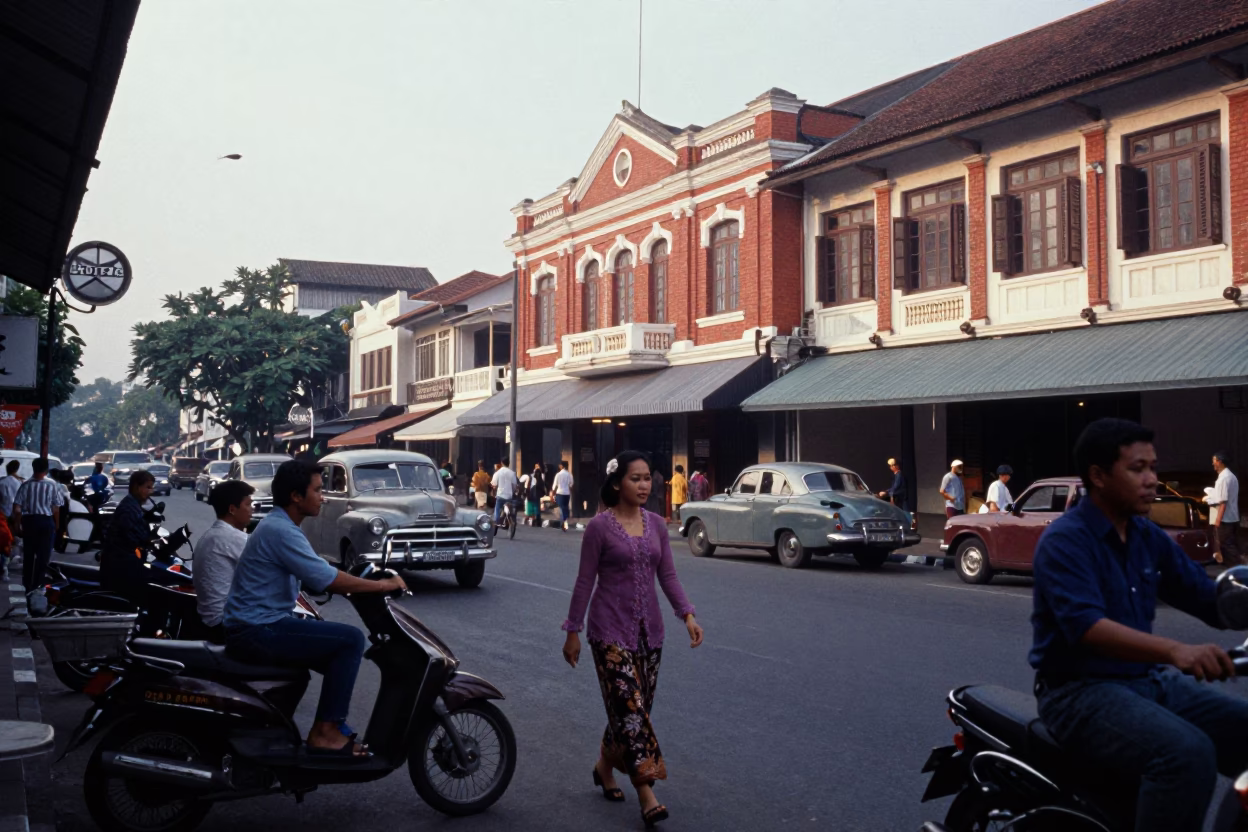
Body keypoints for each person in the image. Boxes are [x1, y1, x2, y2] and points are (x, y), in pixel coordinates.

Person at [1031, 418, 1248, 832]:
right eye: (1137, 469)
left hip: (1146, 683)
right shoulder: (1065, 540)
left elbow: (1207, 599)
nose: (1152, 480)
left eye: (1153, 467)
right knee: (1187, 755)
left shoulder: (1147, 536)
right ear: (1098, 476)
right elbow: (1086, 626)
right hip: (1077, 692)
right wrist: (1176, 650)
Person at [224, 460, 407, 759]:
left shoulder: (280, 525)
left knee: (337, 650)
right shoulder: (281, 530)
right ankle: (325, 731)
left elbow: (318, 571)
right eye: (318, 490)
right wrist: (383, 586)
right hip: (256, 629)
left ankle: (331, 725)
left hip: (257, 624)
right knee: (349, 641)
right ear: (296, 496)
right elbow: (327, 578)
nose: (323, 497)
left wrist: (352, 580)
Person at [561, 451, 703, 828]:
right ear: (616, 483)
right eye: (635, 478)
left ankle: (604, 767)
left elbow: (668, 577)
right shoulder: (599, 528)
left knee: (633, 711)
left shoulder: (657, 524)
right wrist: (572, 630)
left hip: (649, 633)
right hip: (608, 631)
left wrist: (686, 614)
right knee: (629, 708)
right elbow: (584, 581)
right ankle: (646, 792)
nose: (644, 485)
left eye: (646, 478)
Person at [98, 470, 179, 604]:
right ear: (136, 487)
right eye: (148, 487)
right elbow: (135, 538)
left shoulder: (134, 505)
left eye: (151, 487)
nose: (151, 492)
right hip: (120, 565)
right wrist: (154, 541)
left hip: (124, 561)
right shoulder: (129, 508)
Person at [193, 480, 255, 642]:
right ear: (232, 509)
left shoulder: (211, 535)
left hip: (213, 619)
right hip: (227, 621)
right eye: (248, 504)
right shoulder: (232, 538)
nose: (252, 510)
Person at [10, 458, 64, 597]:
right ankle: (39, 585)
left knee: (29, 555)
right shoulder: (52, 484)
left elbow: (17, 509)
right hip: (46, 522)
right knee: (43, 556)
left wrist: (17, 525)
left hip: (29, 523)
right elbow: (56, 507)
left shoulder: (25, 485)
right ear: (46, 470)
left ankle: (27, 586)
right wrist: (56, 525)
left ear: (33, 468)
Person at [1207, 451, 1241, 566]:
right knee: (1230, 544)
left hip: (1226, 519)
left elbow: (1223, 501)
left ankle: (1237, 571)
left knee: (1226, 545)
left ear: (1219, 462)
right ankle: (1234, 568)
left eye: (1214, 461)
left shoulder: (1224, 478)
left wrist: (1218, 520)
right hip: (1233, 517)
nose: (1213, 464)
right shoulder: (1230, 476)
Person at [491, 458, 520, 527]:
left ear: (501, 463)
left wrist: (494, 489)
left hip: (500, 495)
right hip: (509, 496)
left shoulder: (497, 473)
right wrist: (513, 491)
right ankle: (507, 519)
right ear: (509, 463)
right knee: (510, 506)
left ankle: (497, 520)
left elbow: (494, 484)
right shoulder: (512, 473)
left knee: (497, 508)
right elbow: (514, 485)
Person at [551, 460, 574, 532]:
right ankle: (565, 521)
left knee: (561, 508)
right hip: (567, 493)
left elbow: (554, 486)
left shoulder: (558, 474)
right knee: (565, 507)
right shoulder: (569, 474)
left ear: (561, 466)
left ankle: (563, 522)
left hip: (560, 493)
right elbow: (571, 484)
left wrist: (552, 493)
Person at [526, 463, 546, 527]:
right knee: (536, 507)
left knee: (535, 507)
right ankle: (537, 520)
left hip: (534, 494)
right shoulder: (537, 478)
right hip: (536, 494)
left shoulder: (539, 477)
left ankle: (535, 519)